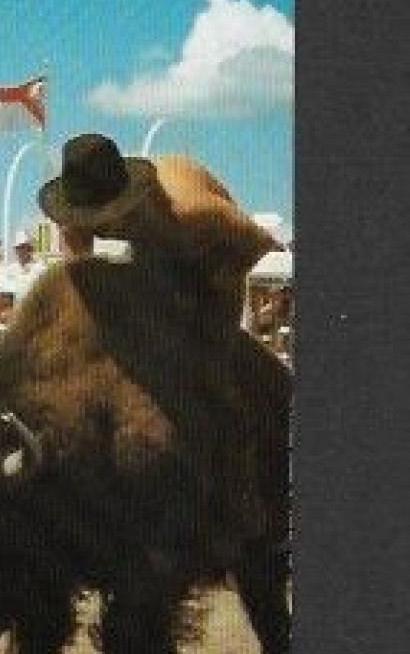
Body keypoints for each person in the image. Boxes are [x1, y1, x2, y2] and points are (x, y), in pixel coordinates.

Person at [38, 132, 278, 543]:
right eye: (93, 221)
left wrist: (215, 285)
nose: (101, 227)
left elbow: (258, 243)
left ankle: (242, 497)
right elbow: (79, 271)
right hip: (152, 257)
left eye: (108, 219)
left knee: (212, 372)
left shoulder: (193, 210)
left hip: (215, 259)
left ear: (132, 201)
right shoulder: (76, 214)